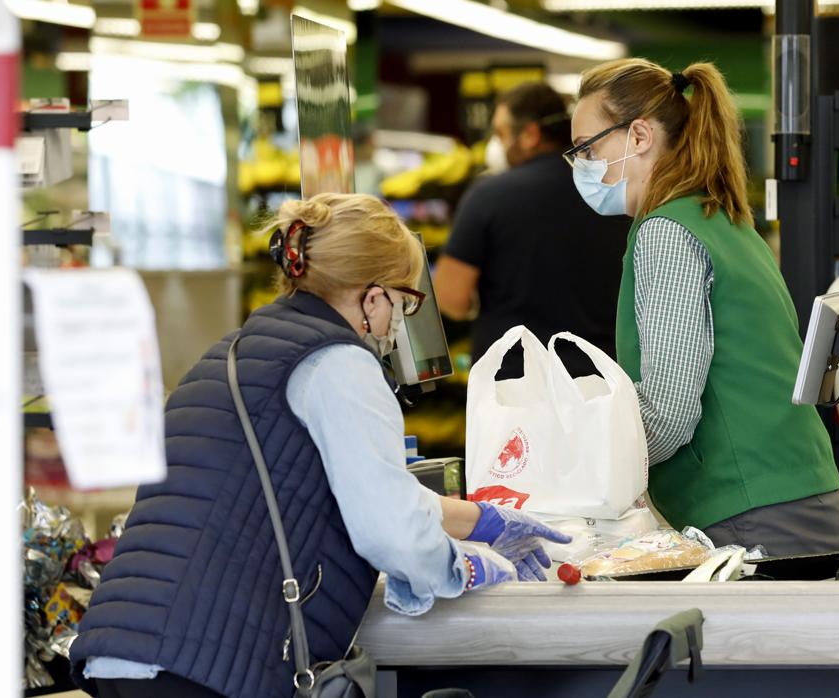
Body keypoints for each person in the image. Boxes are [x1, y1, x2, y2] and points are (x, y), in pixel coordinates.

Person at [69, 193, 569, 698]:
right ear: (373, 298)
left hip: (126, 647)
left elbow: (359, 488)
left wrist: (480, 520)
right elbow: (390, 532)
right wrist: (464, 567)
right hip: (203, 664)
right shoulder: (341, 363)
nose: (401, 320)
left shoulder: (237, 350)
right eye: (406, 301)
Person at [566, 59, 839, 558]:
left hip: (751, 516)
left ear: (638, 136)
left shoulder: (667, 234)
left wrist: (583, 475)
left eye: (588, 149)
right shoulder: (724, 220)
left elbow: (669, 412)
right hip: (794, 498)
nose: (582, 166)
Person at [434, 81, 629, 367]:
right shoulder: (611, 194)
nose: (497, 144)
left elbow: (451, 297)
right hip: (598, 378)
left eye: (500, 133)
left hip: (513, 381)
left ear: (530, 135)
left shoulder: (488, 196)